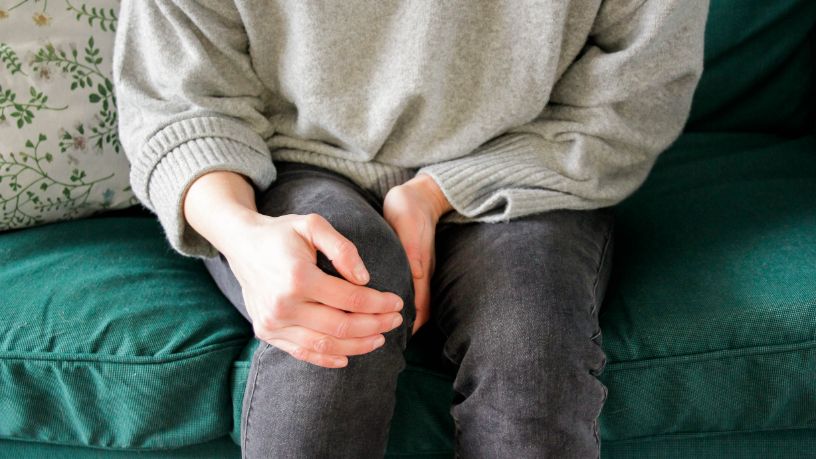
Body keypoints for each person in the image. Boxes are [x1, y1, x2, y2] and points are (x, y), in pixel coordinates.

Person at [113, 1, 707, 457]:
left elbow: (632, 99)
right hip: (285, 162)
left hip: (526, 162)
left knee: (530, 354)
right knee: (341, 312)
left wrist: (434, 195)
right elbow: (181, 101)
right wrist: (242, 233)